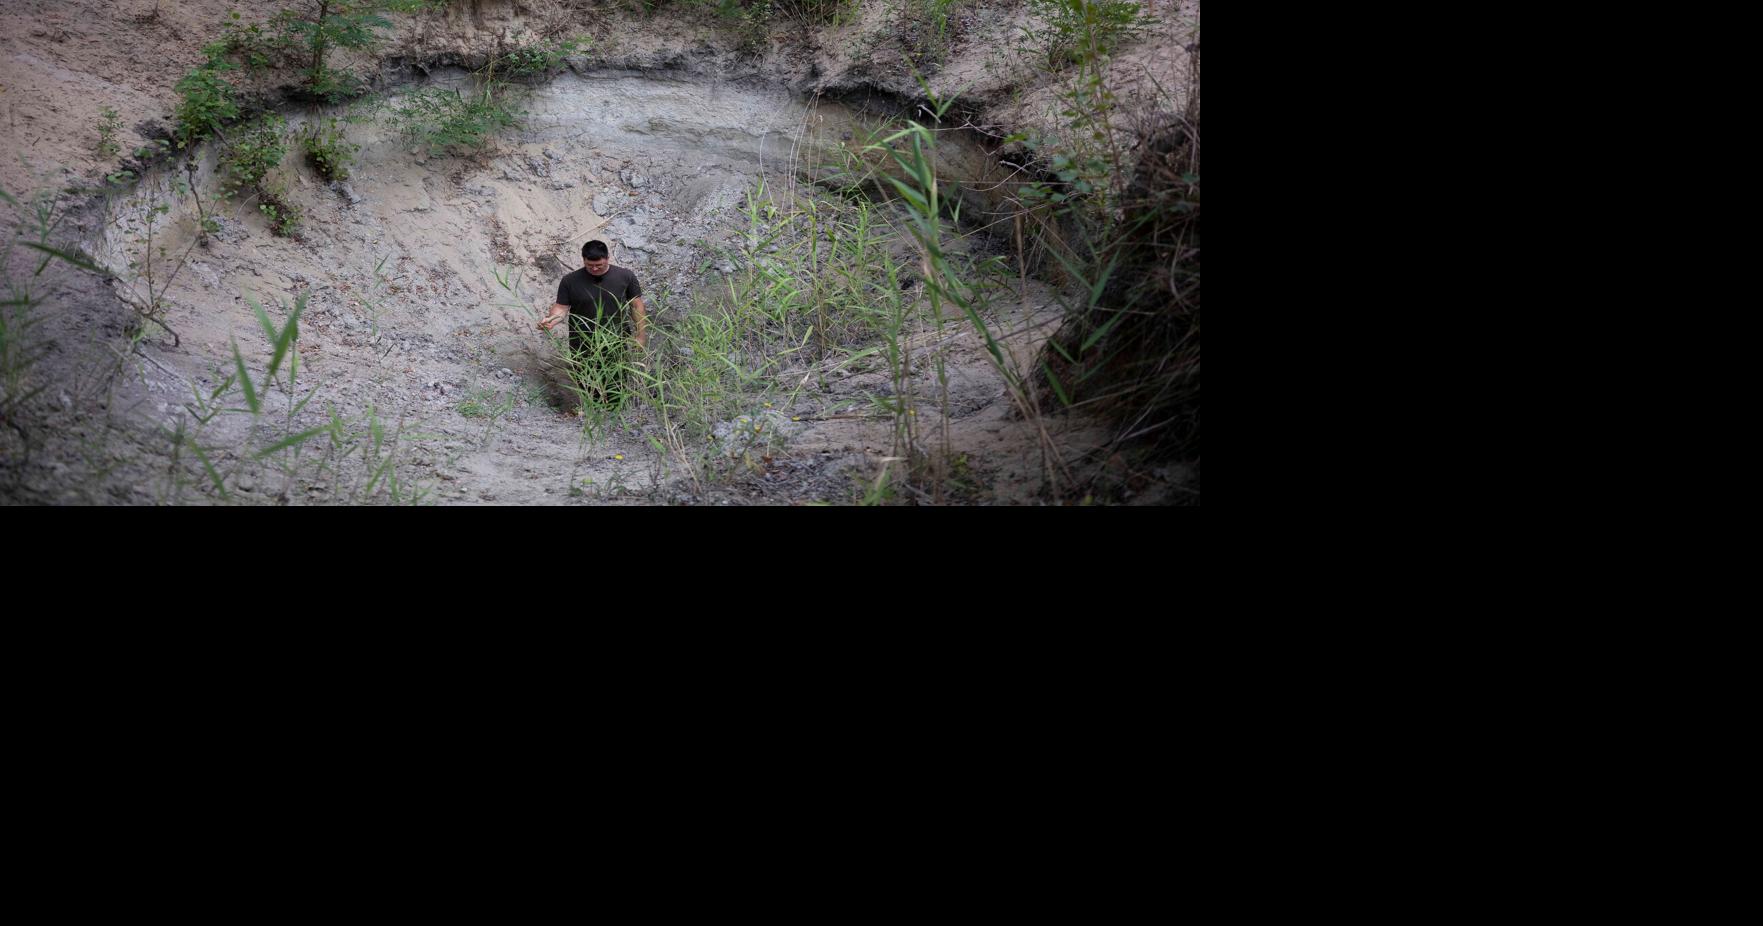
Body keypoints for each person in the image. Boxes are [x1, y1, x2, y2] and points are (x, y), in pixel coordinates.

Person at [537, 240, 647, 411]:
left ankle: (615, 416)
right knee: (587, 383)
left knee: (616, 381)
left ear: (607, 259)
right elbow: (561, 308)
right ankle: (592, 414)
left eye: (599, 265)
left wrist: (640, 335)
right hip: (582, 343)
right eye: (590, 265)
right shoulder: (570, 281)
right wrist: (550, 320)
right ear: (583, 260)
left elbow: (636, 306)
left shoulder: (625, 276)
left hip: (616, 341)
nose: (594, 269)